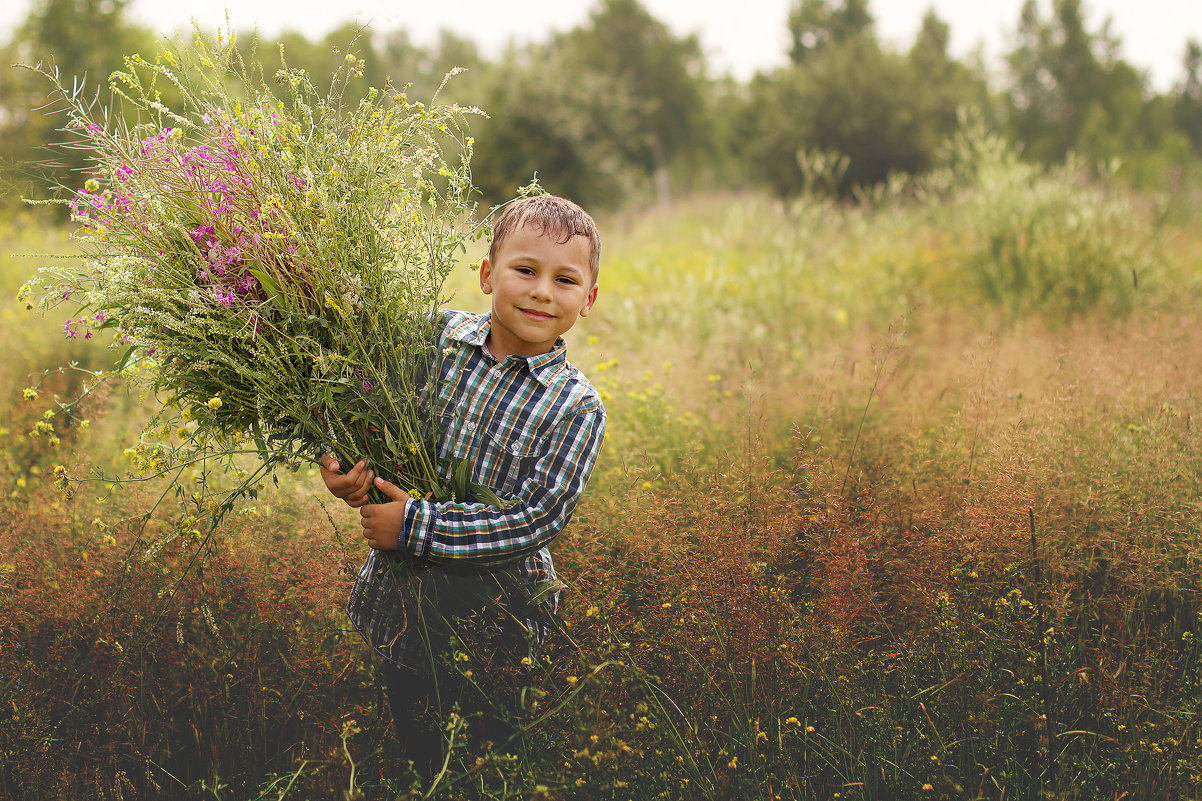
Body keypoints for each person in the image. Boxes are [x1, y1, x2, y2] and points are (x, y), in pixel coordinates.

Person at [318, 194, 606, 781]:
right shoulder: (436, 340)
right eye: (525, 270)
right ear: (486, 275)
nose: (542, 291)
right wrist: (346, 466)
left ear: (589, 299)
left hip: (498, 625)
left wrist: (416, 527)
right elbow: (373, 415)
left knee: (485, 764)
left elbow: (535, 520)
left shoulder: (577, 407)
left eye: (565, 279)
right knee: (418, 751)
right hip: (400, 607)